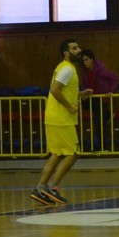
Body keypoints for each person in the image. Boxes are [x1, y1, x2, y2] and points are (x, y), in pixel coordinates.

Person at [31, 38, 92, 205]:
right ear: (66, 52)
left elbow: (62, 91)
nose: (79, 50)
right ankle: (51, 187)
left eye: (78, 47)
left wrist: (80, 94)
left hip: (53, 116)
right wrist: (70, 106)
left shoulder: (64, 67)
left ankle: (40, 188)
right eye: (74, 48)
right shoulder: (67, 69)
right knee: (73, 153)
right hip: (61, 118)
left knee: (57, 154)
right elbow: (55, 90)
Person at [79, 49, 119, 149]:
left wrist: (111, 91)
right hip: (92, 98)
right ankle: (107, 114)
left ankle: (103, 146)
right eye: (83, 60)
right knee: (82, 104)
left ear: (92, 59)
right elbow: (84, 84)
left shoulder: (101, 71)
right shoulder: (84, 72)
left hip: (101, 98)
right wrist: (83, 92)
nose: (85, 62)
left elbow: (115, 78)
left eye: (86, 60)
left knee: (98, 121)